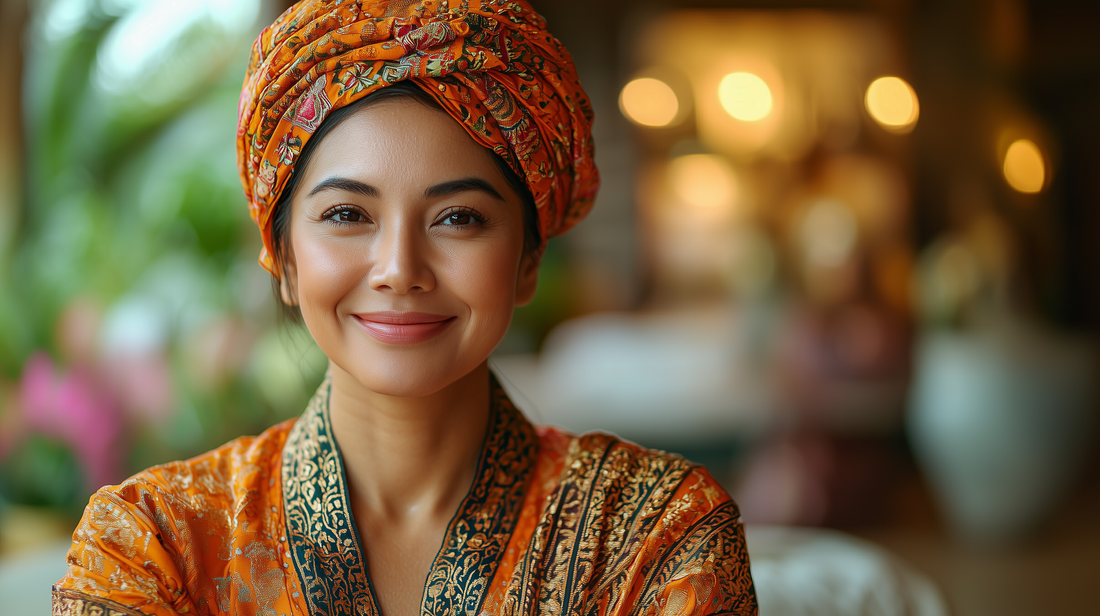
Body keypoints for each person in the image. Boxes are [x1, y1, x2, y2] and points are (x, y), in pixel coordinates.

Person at [52, 1, 757, 614]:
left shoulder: (657, 539)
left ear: (529, 262)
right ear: (284, 257)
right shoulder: (154, 547)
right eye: (347, 214)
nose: (399, 270)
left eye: (459, 219)